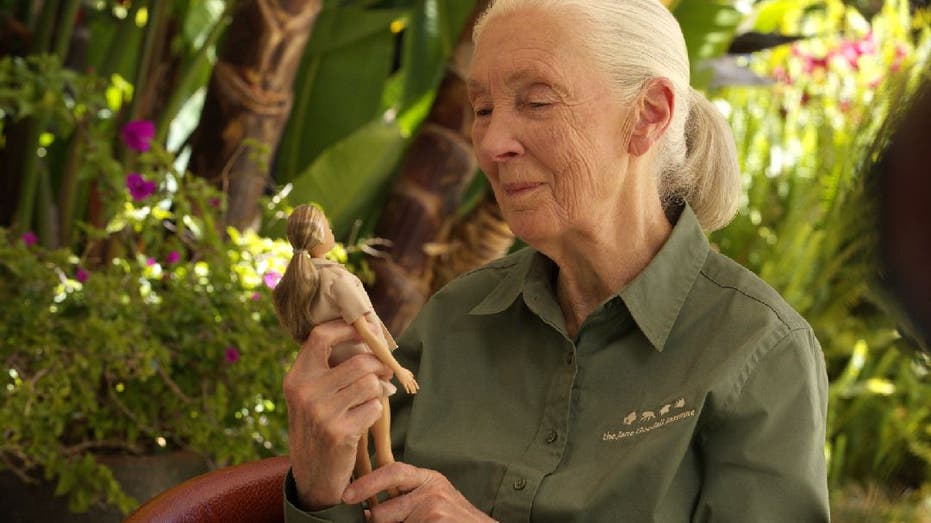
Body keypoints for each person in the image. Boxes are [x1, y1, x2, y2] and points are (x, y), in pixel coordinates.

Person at [283, 0, 831, 521]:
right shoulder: (453, 320)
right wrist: (320, 486)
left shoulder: (759, 350)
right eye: (483, 109)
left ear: (648, 115)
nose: (494, 142)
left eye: (537, 102)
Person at [272, 204, 419, 507]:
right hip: (365, 371)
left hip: (338, 374)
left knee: (360, 453)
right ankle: (395, 507)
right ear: (318, 235)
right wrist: (397, 367)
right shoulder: (337, 281)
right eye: (329, 228)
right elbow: (366, 332)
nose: (333, 233)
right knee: (384, 451)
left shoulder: (301, 282)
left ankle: (374, 508)